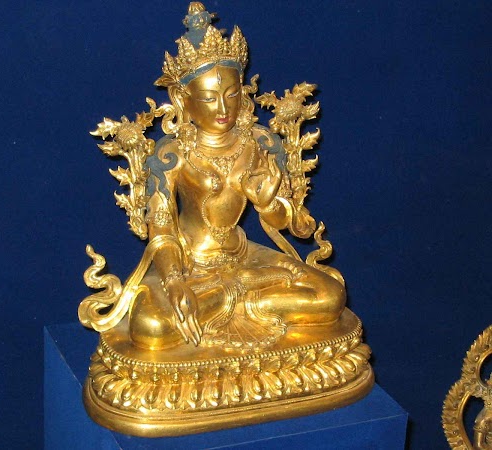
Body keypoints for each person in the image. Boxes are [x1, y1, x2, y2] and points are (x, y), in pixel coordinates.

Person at [124, 2, 346, 350]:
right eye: (209, 98)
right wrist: (175, 282)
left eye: (231, 95)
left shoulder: (259, 143)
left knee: (329, 296)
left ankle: (234, 295)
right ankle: (243, 295)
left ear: (242, 91)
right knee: (151, 326)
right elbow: (163, 231)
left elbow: (289, 223)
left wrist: (269, 203)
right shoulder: (171, 154)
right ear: (183, 99)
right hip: (189, 263)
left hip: (244, 255)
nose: (223, 109)